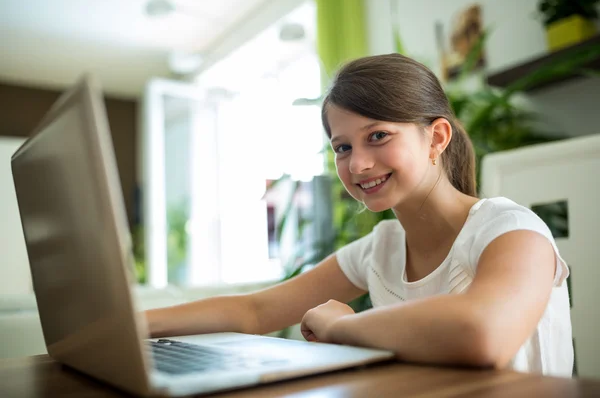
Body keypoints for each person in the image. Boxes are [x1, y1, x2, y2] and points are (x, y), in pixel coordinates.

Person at [145, 53, 573, 377]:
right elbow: (255, 311)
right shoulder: (380, 249)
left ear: (436, 138)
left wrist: (343, 328)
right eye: (343, 147)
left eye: (379, 136)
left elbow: (483, 335)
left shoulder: (510, 231)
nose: (358, 165)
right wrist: (127, 325)